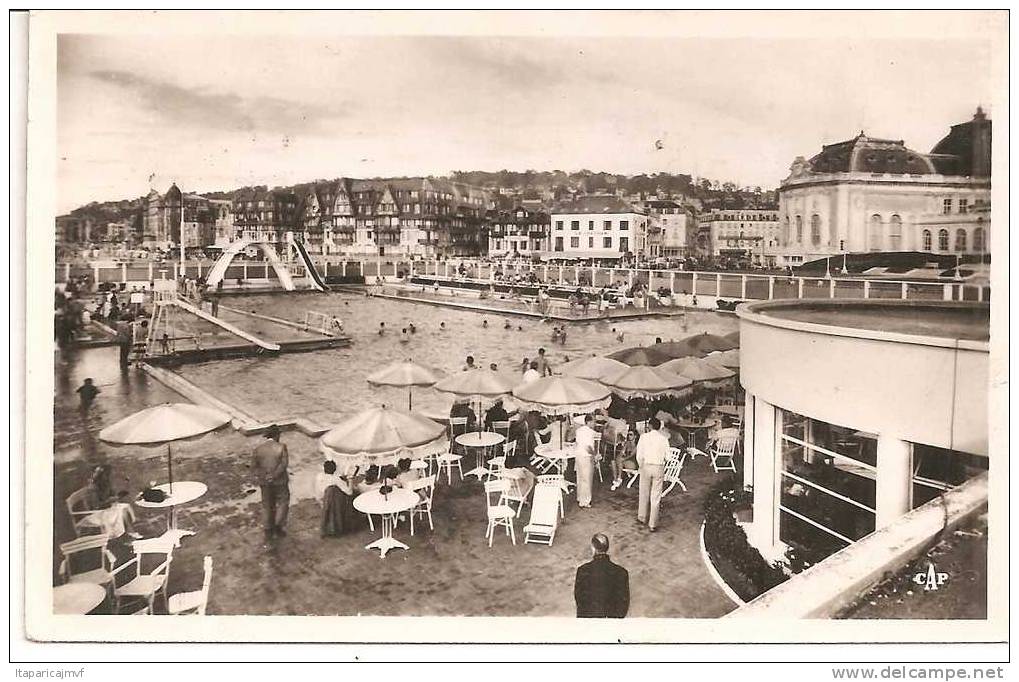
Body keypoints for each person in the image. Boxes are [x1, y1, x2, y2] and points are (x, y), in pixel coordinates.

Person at [574, 533, 629, 618]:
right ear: (607, 548)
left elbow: (580, 600)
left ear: (593, 549)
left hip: (589, 622)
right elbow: (623, 602)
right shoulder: (621, 572)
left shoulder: (582, 571)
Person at [251, 424, 290, 542]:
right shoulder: (281, 447)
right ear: (277, 435)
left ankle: (268, 530)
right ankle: (278, 525)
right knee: (283, 502)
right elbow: (284, 464)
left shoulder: (258, 449)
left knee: (267, 505)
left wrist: (265, 476)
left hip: (265, 482)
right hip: (280, 481)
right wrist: (274, 476)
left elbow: (254, 467)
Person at [635, 417, 670, 531]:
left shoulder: (643, 437)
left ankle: (642, 517)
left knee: (644, 492)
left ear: (649, 426)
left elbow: (639, 455)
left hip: (646, 466)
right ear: (659, 427)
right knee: (656, 495)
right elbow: (668, 457)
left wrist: (641, 465)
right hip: (658, 467)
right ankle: (653, 524)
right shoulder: (664, 439)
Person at [573, 414, 598, 508]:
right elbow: (588, 447)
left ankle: (579, 497)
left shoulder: (579, 430)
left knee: (580, 477)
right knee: (586, 479)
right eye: (594, 421)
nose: (595, 423)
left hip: (579, 456)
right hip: (586, 456)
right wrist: (594, 455)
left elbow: (577, 443)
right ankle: (585, 501)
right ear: (589, 422)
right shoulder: (590, 432)